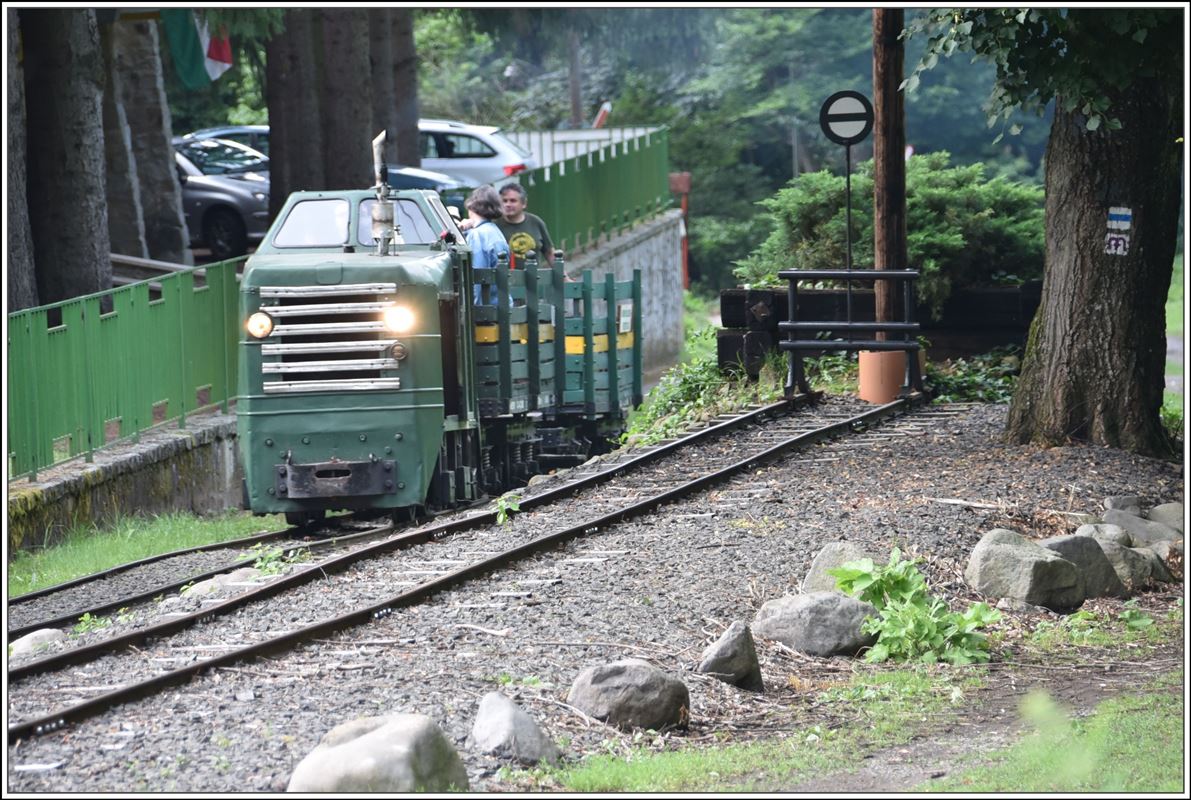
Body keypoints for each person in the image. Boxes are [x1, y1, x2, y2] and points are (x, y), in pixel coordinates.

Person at [462, 185, 510, 305]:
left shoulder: (476, 235)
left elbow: (478, 277)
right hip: (501, 304)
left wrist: (475, 309)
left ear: (472, 207)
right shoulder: (495, 232)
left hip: (486, 308)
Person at [496, 183, 555, 267]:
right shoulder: (494, 225)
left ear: (524, 203)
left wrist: (564, 277)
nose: (507, 205)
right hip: (505, 278)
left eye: (513, 201)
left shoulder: (536, 222)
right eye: (504, 201)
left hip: (534, 277)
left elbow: (549, 252)